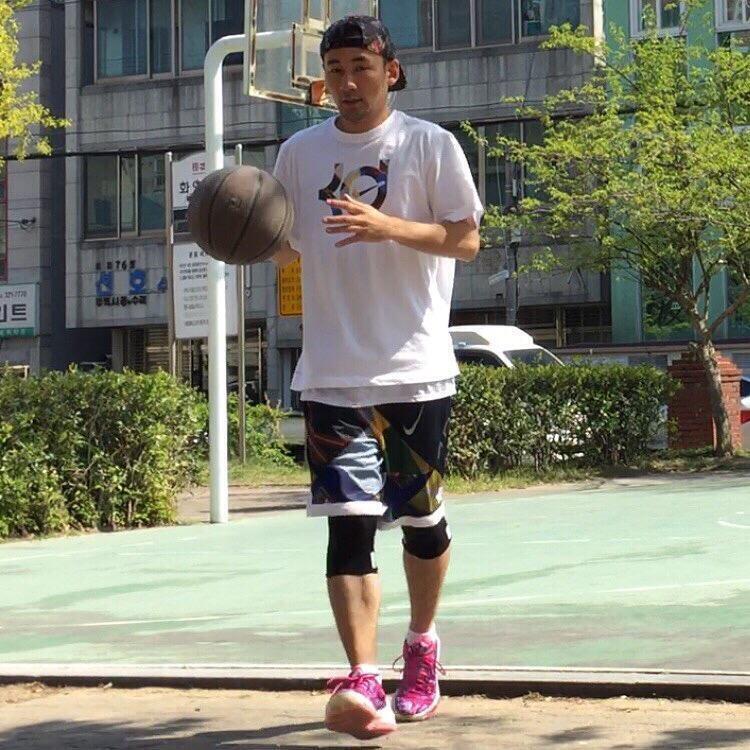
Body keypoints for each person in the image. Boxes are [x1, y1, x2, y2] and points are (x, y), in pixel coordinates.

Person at [270, 15, 483, 741]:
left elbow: (466, 239)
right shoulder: (298, 153)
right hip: (331, 374)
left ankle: (421, 646)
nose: (348, 82)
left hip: (415, 373)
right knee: (349, 524)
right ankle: (363, 678)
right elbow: (282, 245)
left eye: (361, 66)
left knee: (421, 521)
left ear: (390, 71)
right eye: (335, 69)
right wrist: (236, 229)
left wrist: (387, 226)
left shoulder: (430, 144)